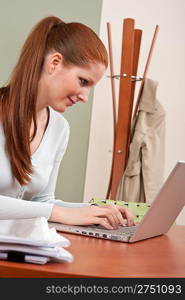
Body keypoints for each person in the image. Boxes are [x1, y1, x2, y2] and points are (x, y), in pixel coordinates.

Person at [0, 16, 134, 230]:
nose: (85, 97)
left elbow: (42, 203)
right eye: (83, 81)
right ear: (54, 63)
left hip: (18, 251)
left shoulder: (59, 128)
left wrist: (98, 210)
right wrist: (59, 213)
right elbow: (51, 211)